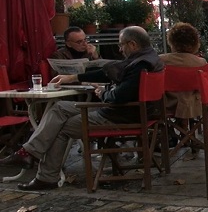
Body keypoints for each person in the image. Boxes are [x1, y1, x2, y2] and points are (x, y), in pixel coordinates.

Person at [0, 26, 164, 191]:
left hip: (119, 116)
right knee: (59, 108)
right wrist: (73, 77)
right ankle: (28, 153)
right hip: (127, 112)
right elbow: (110, 73)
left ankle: (46, 177)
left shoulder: (140, 65)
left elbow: (118, 96)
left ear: (133, 44)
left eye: (121, 45)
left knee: (60, 127)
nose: (120, 49)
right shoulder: (149, 59)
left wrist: (103, 92)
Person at [159, 23, 207, 149]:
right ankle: (187, 135)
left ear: (172, 41)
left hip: (169, 105)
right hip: (196, 105)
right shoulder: (201, 62)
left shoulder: (161, 61)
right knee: (187, 95)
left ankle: (180, 134)